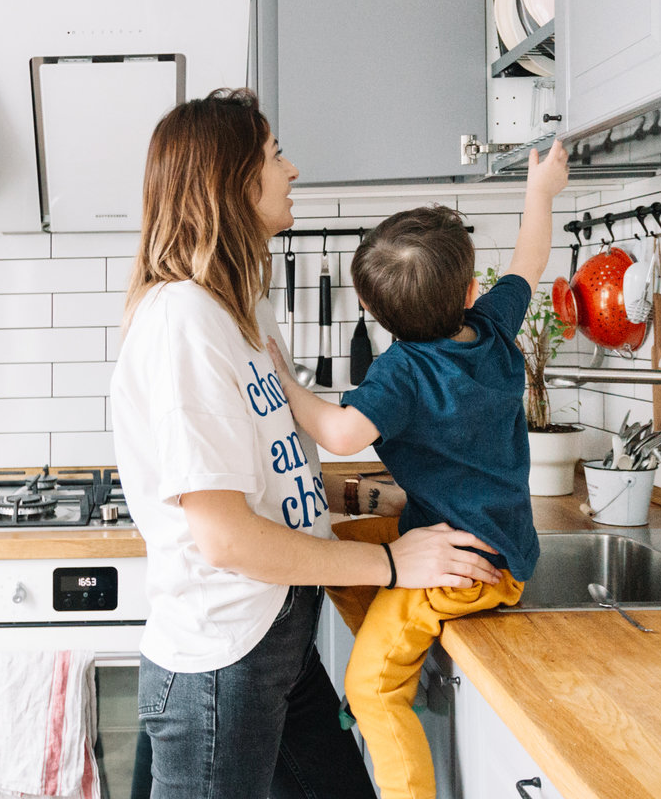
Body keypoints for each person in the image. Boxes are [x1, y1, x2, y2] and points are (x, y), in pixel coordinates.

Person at [110, 88, 503, 799]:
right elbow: (227, 537)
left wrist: (365, 496)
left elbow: (264, 471)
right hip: (222, 666)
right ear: (232, 182)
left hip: (278, 640)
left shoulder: (242, 308)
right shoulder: (182, 323)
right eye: (274, 155)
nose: (291, 170)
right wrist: (390, 563)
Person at [265, 141, 570, 799]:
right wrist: (539, 190)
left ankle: (385, 677)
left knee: (369, 692)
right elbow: (530, 258)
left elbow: (341, 432)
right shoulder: (492, 327)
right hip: (490, 542)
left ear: (370, 310)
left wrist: (286, 383)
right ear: (470, 291)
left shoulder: (403, 371)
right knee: (333, 549)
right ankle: (390, 637)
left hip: (465, 565)